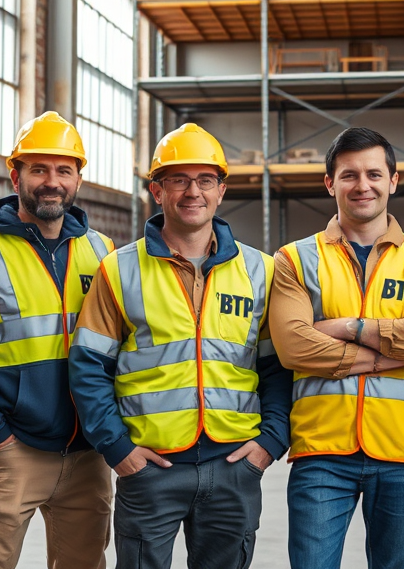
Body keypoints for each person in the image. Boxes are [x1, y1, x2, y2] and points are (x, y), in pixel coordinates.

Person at [68, 123, 290, 569]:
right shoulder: (120, 270)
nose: (193, 191)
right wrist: (119, 451)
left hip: (234, 464)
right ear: (157, 189)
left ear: (221, 190)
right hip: (150, 469)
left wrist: (270, 441)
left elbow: (279, 367)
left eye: (205, 180)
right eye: (178, 180)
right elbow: (88, 368)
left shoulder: (261, 270)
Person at [0, 111, 116, 569]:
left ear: (78, 179)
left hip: (88, 452)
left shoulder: (103, 251)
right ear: (16, 175)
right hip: (13, 451)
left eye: (64, 170)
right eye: (39, 169)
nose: (52, 182)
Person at [269, 127, 404, 569]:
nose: (362, 185)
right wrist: (389, 352)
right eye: (348, 175)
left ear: (393, 181)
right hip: (321, 453)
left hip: (403, 452)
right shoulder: (295, 259)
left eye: (374, 173)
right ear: (330, 183)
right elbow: (294, 346)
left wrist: (346, 326)